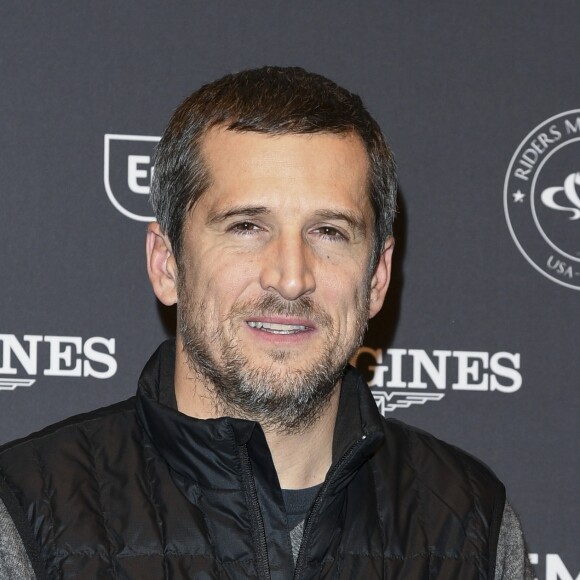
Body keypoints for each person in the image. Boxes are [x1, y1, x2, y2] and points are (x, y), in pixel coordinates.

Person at [0, 66, 534, 579]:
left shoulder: (470, 523)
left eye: (329, 232)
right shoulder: (27, 511)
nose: (291, 277)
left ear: (377, 278)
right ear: (167, 264)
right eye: (247, 226)